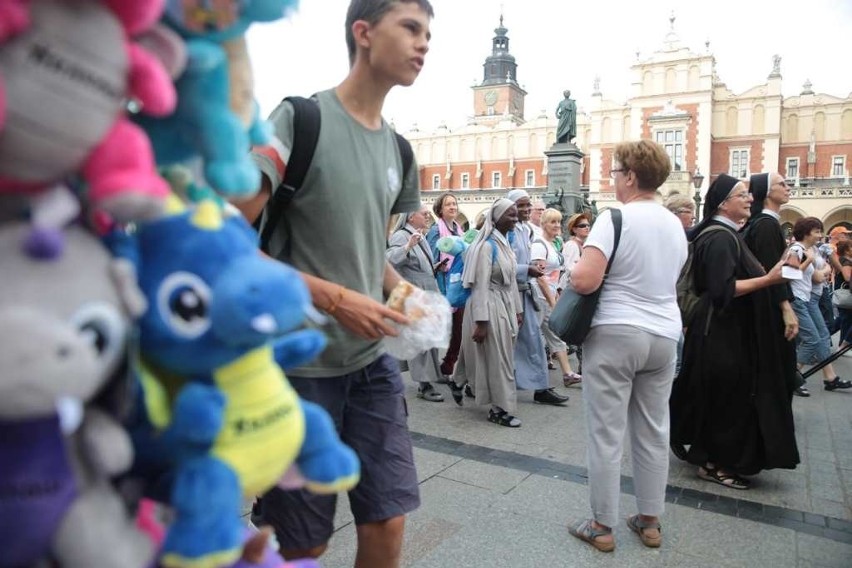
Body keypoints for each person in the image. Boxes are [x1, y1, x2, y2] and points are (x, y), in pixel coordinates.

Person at [235, 1, 434, 565]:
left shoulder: (399, 149)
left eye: (428, 33)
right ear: (364, 33)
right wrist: (335, 298)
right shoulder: (300, 119)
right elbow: (223, 241)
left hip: (370, 366)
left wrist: (404, 296)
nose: (424, 44)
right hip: (298, 367)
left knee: (387, 519)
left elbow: (367, 255)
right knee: (303, 542)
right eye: (411, 29)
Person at [567, 140, 687, 553]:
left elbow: (585, 280)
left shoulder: (614, 217)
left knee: (606, 433)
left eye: (616, 173)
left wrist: (573, 266)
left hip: (617, 331)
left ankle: (601, 525)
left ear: (631, 176)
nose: (614, 180)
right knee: (654, 429)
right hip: (664, 334)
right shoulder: (675, 223)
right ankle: (649, 520)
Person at [670, 174, 800, 495]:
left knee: (724, 397)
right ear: (724, 202)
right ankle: (714, 463)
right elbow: (722, 291)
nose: (749, 199)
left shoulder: (728, 234)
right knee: (726, 399)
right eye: (742, 195)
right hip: (718, 333)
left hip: (722, 332)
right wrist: (769, 280)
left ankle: (713, 457)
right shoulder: (720, 238)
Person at [450, 198, 524, 427]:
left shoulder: (505, 245)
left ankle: (457, 379)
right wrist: (481, 322)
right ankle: (499, 409)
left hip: (504, 304)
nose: (515, 218)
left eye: (515, 214)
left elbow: (510, 281)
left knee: (488, 353)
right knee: (498, 359)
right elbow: (479, 285)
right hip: (488, 305)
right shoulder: (485, 247)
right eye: (509, 214)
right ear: (495, 218)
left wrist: (518, 310)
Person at [505, 190, 568, 406]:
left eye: (527, 205)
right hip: (508, 294)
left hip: (525, 292)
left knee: (533, 342)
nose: (525, 209)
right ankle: (466, 380)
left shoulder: (526, 230)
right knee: (500, 344)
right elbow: (502, 266)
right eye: (520, 205)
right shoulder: (507, 231)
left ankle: (541, 387)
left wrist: (529, 270)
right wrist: (527, 269)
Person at [741, 172, 800, 395]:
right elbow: (773, 273)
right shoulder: (766, 225)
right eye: (781, 184)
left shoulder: (763, 223)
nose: (788, 187)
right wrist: (786, 308)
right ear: (766, 192)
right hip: (768, 308)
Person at [386, 206, 445, 402]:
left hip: (425, 287)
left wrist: (435, 267)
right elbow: (389, 260)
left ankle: (430, 375)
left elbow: (419, 263)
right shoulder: (402, 236)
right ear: (411, 217)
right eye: (424, 214)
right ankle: (424, 384)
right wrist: (407, 247)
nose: (428, 216)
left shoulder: (420, 234)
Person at [787, 217, 851, 392]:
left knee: (821, 336)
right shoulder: (797, 249)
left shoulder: (808, 249)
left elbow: (817, 273)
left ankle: (829, 378)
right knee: (812, 340)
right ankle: (790, 378)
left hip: (805, 299)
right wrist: (809, 261)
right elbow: (788, 274)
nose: (820, 235)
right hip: (799, 300)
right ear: (807, 232)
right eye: (816, 232)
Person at [530, 208, 582, 388]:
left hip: (549, 296)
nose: (557, 225)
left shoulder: (554, 243)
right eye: (552, 222)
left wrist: (556, 294)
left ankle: (567, 374)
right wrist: (552, 302)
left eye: (559, 222)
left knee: (553, 335)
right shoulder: (539, 244)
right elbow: (540, 276)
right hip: (538, 296)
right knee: (529, 336)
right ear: (543, 223)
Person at [425, 192, 465, 378]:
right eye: (448, 204)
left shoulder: (459, 229)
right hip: (442, 284)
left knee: (459, 328)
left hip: (458, 283)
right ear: (440, 209)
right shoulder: (435, 230)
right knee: (439, 328)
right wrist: (438, 265)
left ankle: (448, 364)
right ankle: (430, 370)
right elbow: (430, 259)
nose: (452, 207)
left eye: (454, 204)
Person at [834, 240, 852, 353]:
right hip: (846, 294)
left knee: (844, 320)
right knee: (845, 319)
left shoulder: (843, 260)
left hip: (844, 294)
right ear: (846, 250)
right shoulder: (846, 262)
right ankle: (843, 345)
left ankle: (842, 345)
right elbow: (847, 278)